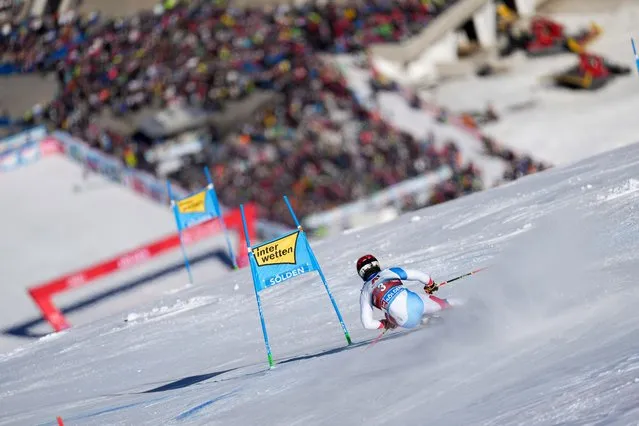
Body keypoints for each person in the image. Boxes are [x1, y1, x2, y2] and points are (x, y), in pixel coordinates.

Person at [357, 254, 462, 331]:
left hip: (405, 321)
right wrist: (430, 284)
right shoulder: (388, 272)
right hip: (417, 303)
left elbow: (367, 324)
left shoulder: (365, 292)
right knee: (444, 303)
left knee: (389, 314)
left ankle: (424, 320)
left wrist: (385, 324)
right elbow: (420, 276)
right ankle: (467, 303)